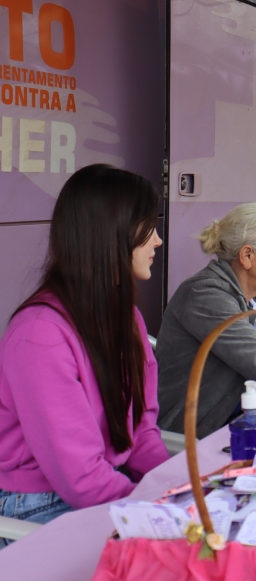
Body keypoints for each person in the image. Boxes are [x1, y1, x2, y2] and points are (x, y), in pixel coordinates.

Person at [0, 165, 169, 544]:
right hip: (33, 506)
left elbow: (140, 434)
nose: (158, 240)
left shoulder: (124, 316)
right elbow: (79, 478)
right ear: (109, 233)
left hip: (101, 489)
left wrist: (180, 487)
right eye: (147, 228)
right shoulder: (39, 334)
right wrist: (162, 510)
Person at [157, 203, 256, 438]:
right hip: (195, 435)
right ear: (247, 255)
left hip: (235, 421)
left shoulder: (250, 300)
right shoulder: (205, 295)